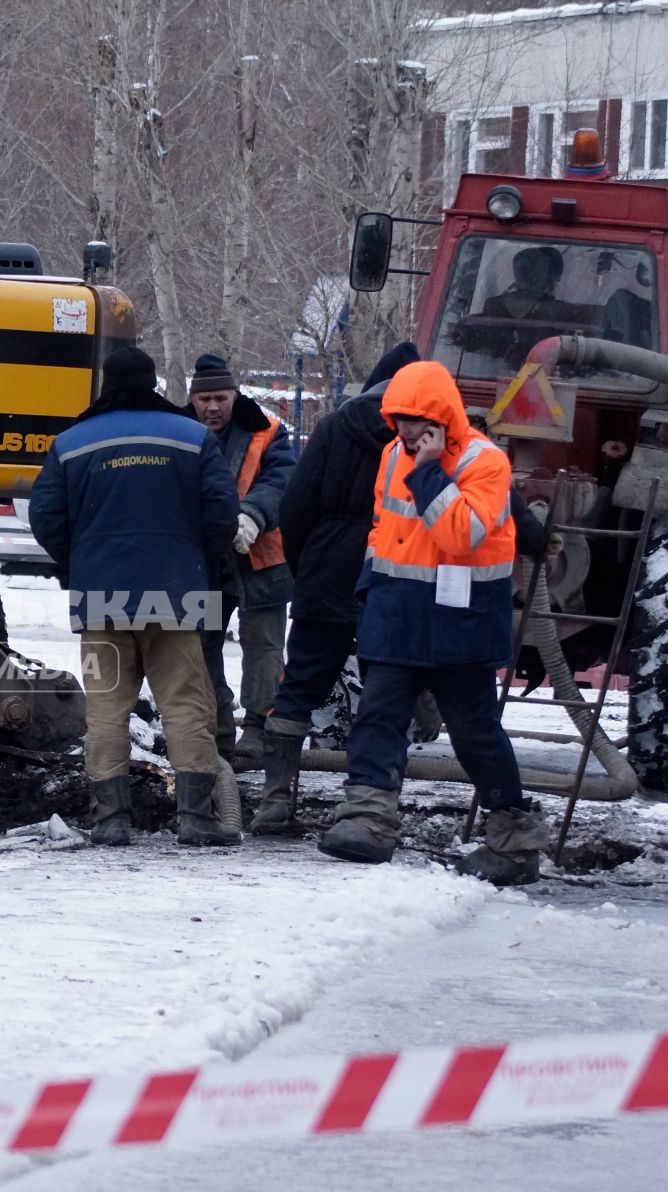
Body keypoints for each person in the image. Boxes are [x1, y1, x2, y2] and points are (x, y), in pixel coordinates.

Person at [317, 359, 553, 885]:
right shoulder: (389, 455)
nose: (405, 430)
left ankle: (513, 843)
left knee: (475, 733)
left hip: (461, 622)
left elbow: (460, 535)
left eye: (416, 419)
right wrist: (370, 590)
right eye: (399, 418)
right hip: (397, 611)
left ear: (442, 417)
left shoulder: (485, 463)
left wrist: (427, 472)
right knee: (378, 716)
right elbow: (385, 529)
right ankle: (367, 821)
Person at [30, 347, 242, 848]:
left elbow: (46, 519)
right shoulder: (194, 438)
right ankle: (195, 818)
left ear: (105, 385)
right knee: (187, 704)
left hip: (101, 595)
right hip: (178, 594)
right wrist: (196, 563)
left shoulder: (70, 443)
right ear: (154, 385)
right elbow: (222, 514)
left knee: (106, 709)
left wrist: (78, 563)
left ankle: (110, 821)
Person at [249, 341, 420, 835]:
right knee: (386, 693)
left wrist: (309, 568)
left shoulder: (334, 426)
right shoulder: (427, 435)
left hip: (326, 569)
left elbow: (297, 504)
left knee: (299, 685)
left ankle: (274, 801)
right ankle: (370, 807)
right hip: (392, 573)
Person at [185, 353, 295, 772]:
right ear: (193, 399)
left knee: (264, 646)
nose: (213, 407)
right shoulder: (180, 431)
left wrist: (252, 513)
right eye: (205, 398)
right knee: (200, 647)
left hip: (260, 559)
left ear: (235, 395)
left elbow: (281, 480)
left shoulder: (267, 431)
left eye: (221, 398)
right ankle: (216, 731)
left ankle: (258, 727)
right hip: (204, 563)